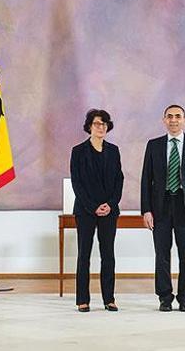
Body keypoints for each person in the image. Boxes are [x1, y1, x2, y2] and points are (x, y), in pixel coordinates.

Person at [141, 104, 185, 312]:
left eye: (178, 116)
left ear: (184, 120)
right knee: (161, 254)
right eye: (169, 116)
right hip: (160, 207)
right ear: (164, 120)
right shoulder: (153, 145)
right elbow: (146, 180)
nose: (173, 120)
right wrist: (146, 210)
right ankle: (165, 297)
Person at [70, 109, 124, 312]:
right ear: (89, 127)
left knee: (108, 255)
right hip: (85, 210)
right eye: (97, 124)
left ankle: (109, 299)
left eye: (104, 124)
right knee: (84, 255)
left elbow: (119, 180)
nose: (101, 127)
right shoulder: (78, 151)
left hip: (109, 210)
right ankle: (82, 300)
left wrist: (111, 204)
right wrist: (93, 206)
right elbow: (77, 183)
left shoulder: (114, 151)